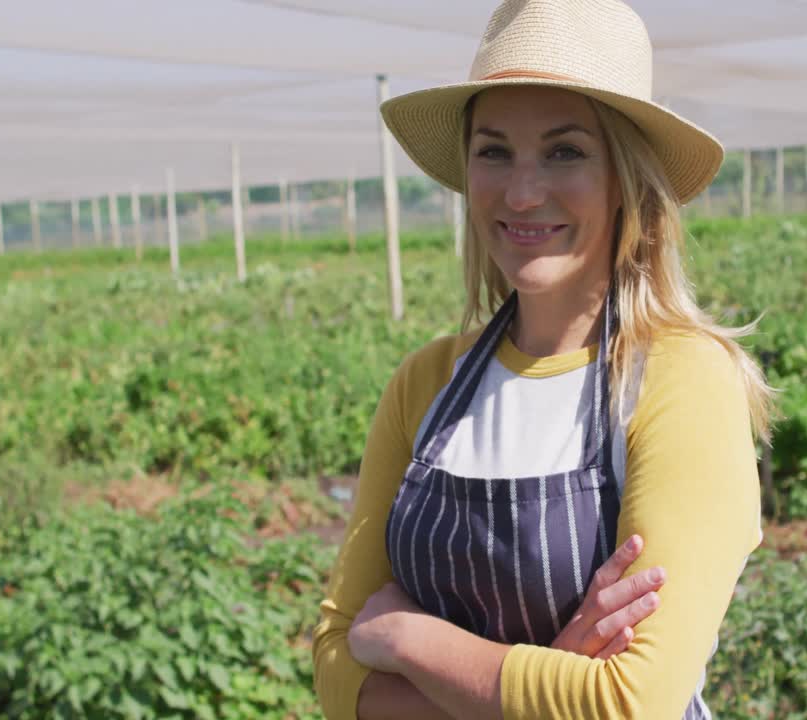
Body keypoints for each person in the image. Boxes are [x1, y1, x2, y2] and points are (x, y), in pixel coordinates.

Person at [313, 0, 774, 717]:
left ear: (626, 176)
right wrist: (550, 681)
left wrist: (408, 637)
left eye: (565, 151)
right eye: (494, 151)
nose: (522, 193)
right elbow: (336, 667)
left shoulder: (677, 380)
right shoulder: (425, 384)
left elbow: (629, 704)